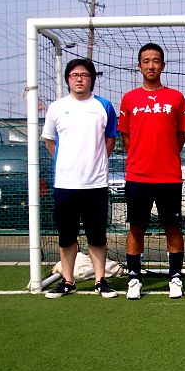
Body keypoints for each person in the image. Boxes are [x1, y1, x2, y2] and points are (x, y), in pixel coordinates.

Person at [118, 43, 185, 300]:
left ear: (163, 65)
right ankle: (134, 278)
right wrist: (141, 157)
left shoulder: (176, 97)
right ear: (139, 66)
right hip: (137, 176)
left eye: (156, 60)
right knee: (136, 228)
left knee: (172, 227)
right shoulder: (129, 98)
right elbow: (126, 136)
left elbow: (181, 135)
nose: (151, 65)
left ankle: (175, 278)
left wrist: (166, 155)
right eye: (146, 61)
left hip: (168, 176)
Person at [42, 58, 118, 299]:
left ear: (91, 79)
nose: (79, 79)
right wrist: (67, 162)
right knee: (66, 236)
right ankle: (67, 281)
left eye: (84, 75)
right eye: (74, 75)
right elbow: (49, 141)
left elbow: (110, 140)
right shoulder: (56, 107)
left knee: (97, 236)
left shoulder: (104, 106)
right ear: (68, 79)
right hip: (65, 184)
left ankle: (100, 280)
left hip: (96, 184)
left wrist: (94, 162)